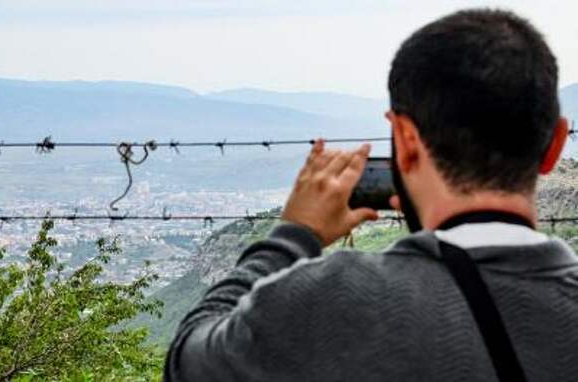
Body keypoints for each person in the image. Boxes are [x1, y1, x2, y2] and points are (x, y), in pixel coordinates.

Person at [164, 8, 578, 382]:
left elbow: (188, 364)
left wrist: (293, 235)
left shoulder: (334, 299)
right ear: (555, 144)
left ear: (405, 138)